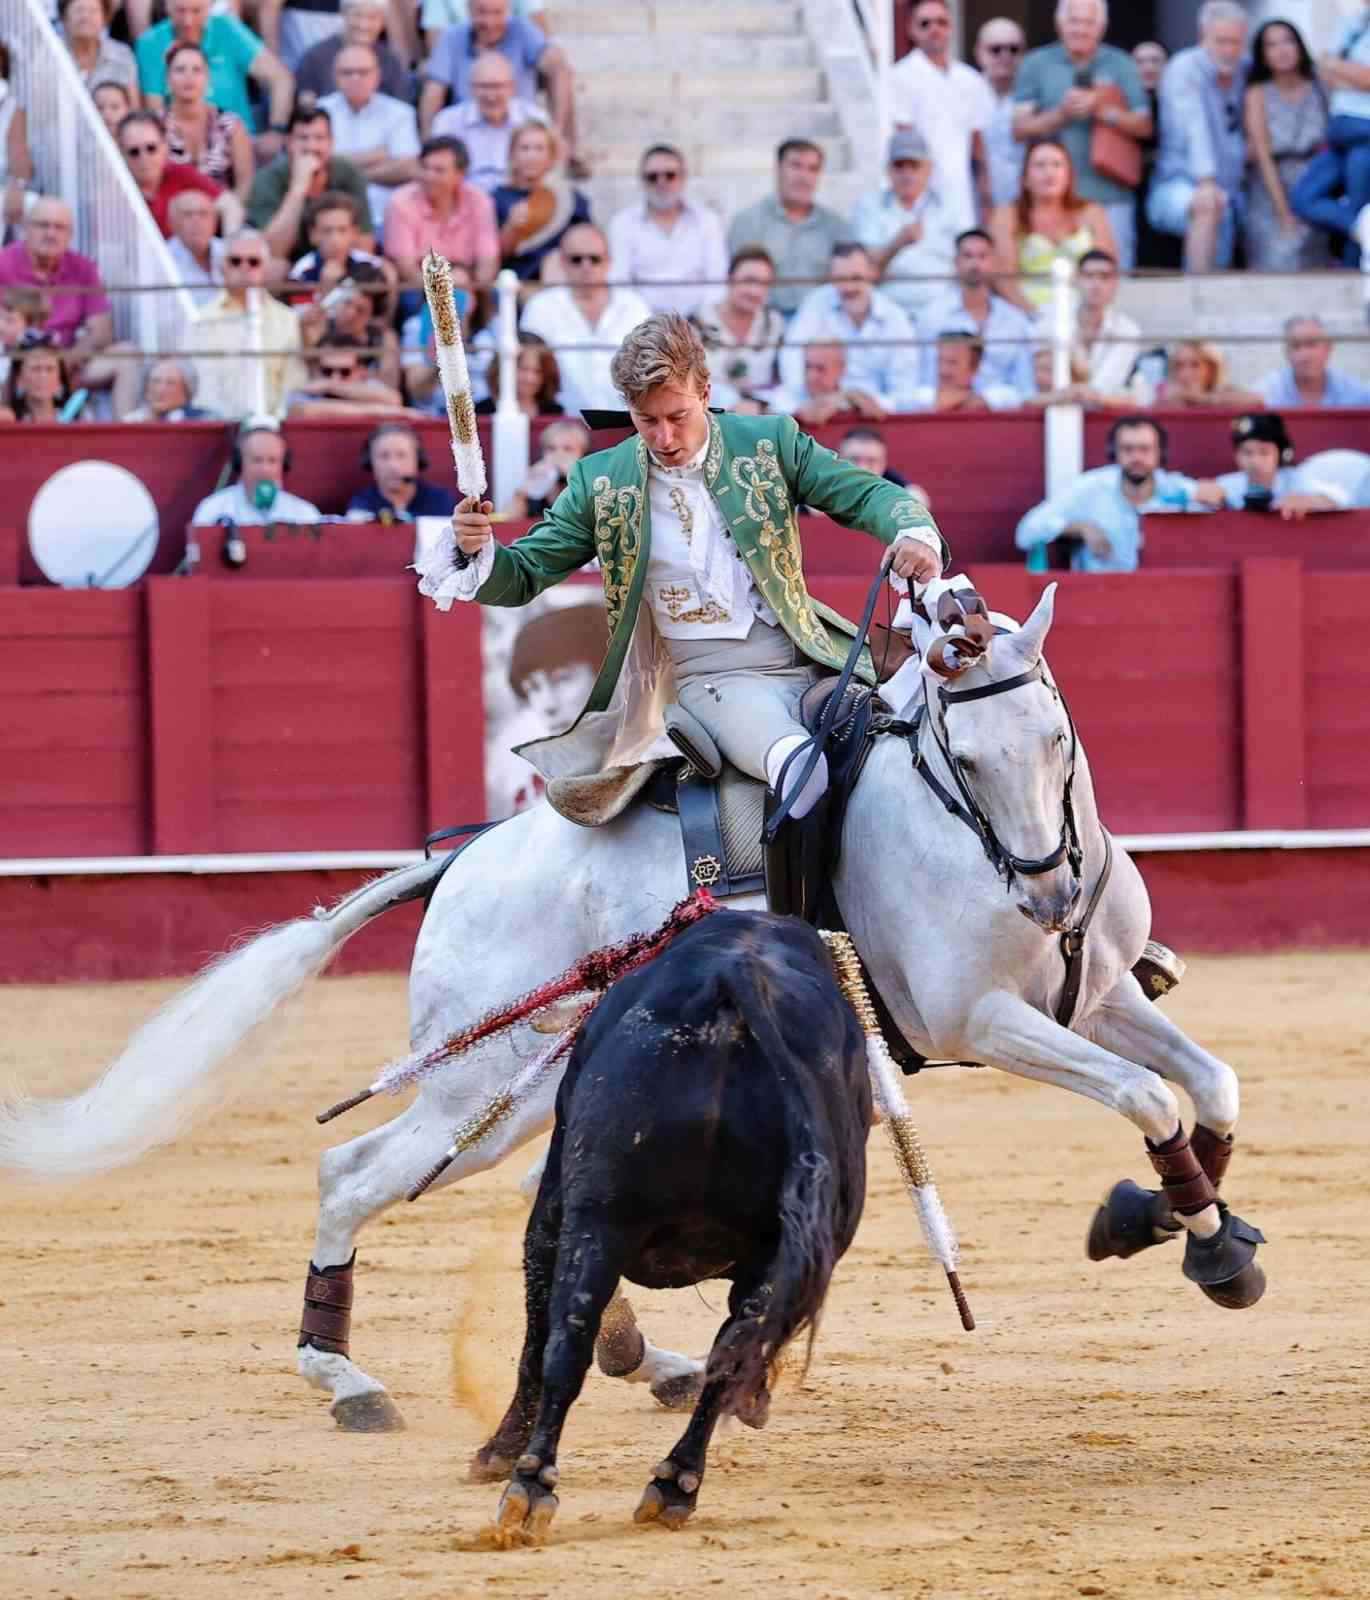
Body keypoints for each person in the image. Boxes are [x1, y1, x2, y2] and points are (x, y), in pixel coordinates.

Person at [419, 310, 946, 910]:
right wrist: (477, 553)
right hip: (714, 680)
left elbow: (863, 493)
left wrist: (912, 532)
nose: (665, 438)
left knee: (922, 745)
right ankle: (806, 932)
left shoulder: (767, 442)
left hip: (812, 654)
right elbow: (525, 574)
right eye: (647, 421)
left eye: (678, 417)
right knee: (804, 775)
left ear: (705, 391)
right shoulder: (602, 481)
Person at [1011, 0, 1151, 270]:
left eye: (1088, 22)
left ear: (1101, 27)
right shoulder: (1036, 63)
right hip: (1052, 200)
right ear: (1060, 24)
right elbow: (1019, 128)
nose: (1081, 29)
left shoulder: (1122, 64)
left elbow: (1144, 125)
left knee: (1114, 275)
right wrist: (1061, 114)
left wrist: (1103, 111)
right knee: (1051, 277)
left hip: (1111, 194)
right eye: (1074, 21)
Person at [1015, 414, 1224, 571]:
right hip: (1098, 596)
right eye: (1128, 449)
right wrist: (1080, 527)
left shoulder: (1176, 488)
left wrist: (1215, 494)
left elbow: (1213, 497)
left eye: (1145, 449)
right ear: (1114, 452)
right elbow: (1026, 532)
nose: (1136, 458)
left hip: (1162, 595)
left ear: (1161, 454)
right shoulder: (1091, 487)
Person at [420, 0, 582, 175]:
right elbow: (433, 91)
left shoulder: (522, 30)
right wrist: (428, 148)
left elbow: (558, 67)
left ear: (508, 11)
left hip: (519, 126)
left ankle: (571, 152)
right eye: (482, 12)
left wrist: (555, 133)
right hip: (469, 123)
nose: (489, 22)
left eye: (497, 12)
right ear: (469, 11)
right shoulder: (452, 36)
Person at [1147, 0, 1250, 272]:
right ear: (1202, 37)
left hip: (1233, 192)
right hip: (1178, 185)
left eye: (1236, 42)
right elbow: (1194, 128)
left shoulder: (1244, 68)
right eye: (1221, 41)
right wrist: (1206, 181)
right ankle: (1196, 291)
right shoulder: (1184, 68)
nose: (1229, 50)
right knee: (1207, 204)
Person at [519, 222, 652, 412]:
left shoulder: (634, 306)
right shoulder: (541, 307)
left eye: (594, 259)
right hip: (560, 421)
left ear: (608, 261)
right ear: (562, 262)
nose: (586, 266)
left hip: (626, 420)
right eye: (577, 259)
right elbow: (529, 368)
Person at [778, 242, 917, 418]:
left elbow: (904, 392)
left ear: (872, 273)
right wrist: (812, 401)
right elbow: (791, 361)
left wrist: (869, 402)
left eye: (856, 278)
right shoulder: (816, 303)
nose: (848, 287)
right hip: (821, 413)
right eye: (840, 279)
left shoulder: (895, 318)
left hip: (875, 418)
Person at [890, 0, 993, 233]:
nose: (934, 29)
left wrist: (986, 196)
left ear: (951, 27)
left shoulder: (970, 79)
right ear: (911, 29)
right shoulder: (900, 77)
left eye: (941, 22)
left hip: (963, 194)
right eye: (925, 23)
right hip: (919, 197)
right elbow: (904, 142)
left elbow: (978, 146)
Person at [183, 228, 309, 417]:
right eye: (235, 261)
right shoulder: (200, 321)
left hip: (274, 426)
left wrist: (272, 423)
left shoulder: (288, 320)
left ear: (265, 269)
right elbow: (200, 387)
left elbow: (293, 385)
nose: (244, 268)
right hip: (215, 424)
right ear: (222, 267)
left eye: (253, 262)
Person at [990, 137, 1117, 313]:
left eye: (1057, 165)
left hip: (1085, 313)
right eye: (1040, 165)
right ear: (1025, 178)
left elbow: (1107, 272)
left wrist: (1087, 316)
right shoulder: (1006, 215)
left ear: (1069, 175)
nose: (1049, 172)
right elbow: (1003, 279)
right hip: (1024, 314)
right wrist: (1036, 316)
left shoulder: (1092, 212)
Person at [136, 0, 294, 141]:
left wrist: (276, 132)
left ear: (210, 6)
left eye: (196, 10)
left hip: (240, 139)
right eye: (180, 10)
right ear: (167, 6)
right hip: (180, 143)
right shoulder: (150, 43)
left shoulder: (227, 29)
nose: (188, 21)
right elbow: (155, 112)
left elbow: (280, 78)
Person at [1242, 19, 1329, 272]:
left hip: (1316, 183)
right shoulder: (1258, 92)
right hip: (1271, 187)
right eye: (1272, 45)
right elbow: (1263, 156)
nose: (1282, 50)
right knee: (1279, 257)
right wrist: (1284, 213)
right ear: (1262, 55)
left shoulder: (1320, 85)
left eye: (1288, 41)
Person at [848, 128, 960, 320]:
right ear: (888, 171)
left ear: (929, 169)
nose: (907, 174)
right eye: (899, 166)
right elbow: (865, 269)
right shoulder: (869, 205)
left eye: (914, 166)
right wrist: (897, 243)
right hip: (888, 310)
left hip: (943, 307)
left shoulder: (951, 205)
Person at [727, 139, 846, 318]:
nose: (804, 176)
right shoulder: (747, 222)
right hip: (763, 322)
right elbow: (738, 285)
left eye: (813, 169)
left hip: (820, 322)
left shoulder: (836, 227)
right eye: (796, 166)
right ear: (778, 169)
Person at [1288, 6, 1370, 267]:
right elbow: (1324, 76)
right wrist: (1351, 75)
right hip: (1341, 130)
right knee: (1304, 197)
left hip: (1365, 130)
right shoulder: (1354, 23)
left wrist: (1333, 64)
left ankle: (1353, 272)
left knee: (1359, 204)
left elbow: (1361, 77)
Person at [606, 145, 727, 318]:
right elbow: (619, 283)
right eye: (652, 177)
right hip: (641, 322)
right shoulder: (622, 223)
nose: (661, 182)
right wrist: (645, 324)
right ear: (642, 181)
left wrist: (701, 320)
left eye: (670, 175)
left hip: (700, 321)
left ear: (683, 178)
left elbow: (717, 279)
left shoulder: (707, 221)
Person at [914, 226, 1035, 398]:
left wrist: (990, 401)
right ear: (956, 262)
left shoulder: (1015, 320)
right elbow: (925, 380)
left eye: (982, 256)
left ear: (994, 263)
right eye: (968, 256)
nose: (975, 264)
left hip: (1000, 410)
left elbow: (1025, 386)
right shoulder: (932, 316)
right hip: (945, 408)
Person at [318, 43, 421, 236]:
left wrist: (347, 174)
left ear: (377, 75)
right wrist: (377, 155)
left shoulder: (400, 113)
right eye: (347, 72)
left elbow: (408, 167)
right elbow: (317, 163)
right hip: (331, 221)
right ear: (335, 76)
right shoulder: (319, 111)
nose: (355, 78)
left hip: (386, 217)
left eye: (363, 72)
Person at [247, 105, 371, 265]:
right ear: (289, 142)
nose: (311, 147)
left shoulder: (349, 173)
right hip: (291, 264)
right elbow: (272, 250)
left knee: (384, 271)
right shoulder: (267, 179)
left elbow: (365, 245)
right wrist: (298, 187)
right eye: (303, 138)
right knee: (275, 267)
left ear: (331, 142)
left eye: (319, 138)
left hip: (342, 262)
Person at [0, 197, 112, 364]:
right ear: (26, 228)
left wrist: (64, 365)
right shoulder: (3, 263)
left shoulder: (83, 268)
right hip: (12, 362)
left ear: (70, 235)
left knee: (126, 355)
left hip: (69, 361)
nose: (51, 234)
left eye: (59, 227)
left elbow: (100, 331)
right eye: (43, 225)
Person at [384, 135, 500, 287]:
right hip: (419, 285)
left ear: (461, 174)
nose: (429, 176)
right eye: (425, 168)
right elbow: (407, 270)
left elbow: (488, 262)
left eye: (439, 170)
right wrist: (446, 287)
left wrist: (472, 287)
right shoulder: (401, 203)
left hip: (469, 280)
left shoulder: (479, 201)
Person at [430, 49, 547, 193]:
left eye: (498, 86)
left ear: (512, 87)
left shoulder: (535, 117)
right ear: (471, 88)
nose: (491, 96)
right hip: (465, 199)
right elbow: (438, 172)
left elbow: (548, 170)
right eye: (483, 86)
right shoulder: (448, 121)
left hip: (522, 197)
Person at [492, 119, 589, 282]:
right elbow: (493, 256)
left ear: (551, 157)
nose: (531, 156)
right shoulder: (497, 198)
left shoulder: (572, 199)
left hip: (561, 278)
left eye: (539, 148)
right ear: (512, 155)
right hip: (516, 280)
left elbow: (586, 244)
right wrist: (512, 226)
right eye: (525, 148)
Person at [162, 41, 254, 211]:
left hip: (224, 214)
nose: (189, 77)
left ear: (208, 77)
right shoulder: (155, 126)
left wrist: (228, 215)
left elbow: (245, 181)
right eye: (180, 70)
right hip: (169, 216)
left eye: (197, 70)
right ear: (167, 78)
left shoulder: (230, 123)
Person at [692, 246, 785, 409]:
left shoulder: (774, 323)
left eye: (763, 284)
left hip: (762, 414)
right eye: (748, 281)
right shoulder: (697, 323)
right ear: (729, 278)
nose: (755, 291)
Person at [1215, 411, 1351, 519]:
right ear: (1236, 456)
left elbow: (1342, 497)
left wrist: (1312, 501)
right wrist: (1206, 495)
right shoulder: (1226, 485)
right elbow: (1204, 499)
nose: (1255, 461)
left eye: (1264, 453)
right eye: (1247, 453)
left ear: (1281, 455)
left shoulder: (1295, 480)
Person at [190, 416, 323, 524]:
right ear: (240, 463)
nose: (265, 469)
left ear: (284, 464)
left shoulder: (304, 514)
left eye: (272, 460)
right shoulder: (213, 510)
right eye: (257, 460)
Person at [118, 109, 228, 238]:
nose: (144, 157)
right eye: (134, 152)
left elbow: (228, 204)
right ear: (122, 154)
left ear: (165, 147)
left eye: (151, 148)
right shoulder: (114, 193)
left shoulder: (180, 173)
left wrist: (231, 238)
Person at [287, 190, 394, 309]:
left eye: (342, 230)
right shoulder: (301, 273)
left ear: (354, 232)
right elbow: (300, 316)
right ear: (313, 235)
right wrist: (325, 292)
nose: (335, 239)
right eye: (327, 231)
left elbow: (379, 311)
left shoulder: (371, 265)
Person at [294, 0, 411, 104]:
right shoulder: (317, 57)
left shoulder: (391, 61)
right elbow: (305, 104)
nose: (364, 25)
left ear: (383, 22)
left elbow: (401, 107)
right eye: (357, 15)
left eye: (373, 18)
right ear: (343, 14)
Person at [1131, 39, 1183, 270]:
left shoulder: (1181, 104)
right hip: (1132, 190)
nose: (1148, 67)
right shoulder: (1122, 105)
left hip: (1170, 187)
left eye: (1155, 61)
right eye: (1140, 62)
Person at [1071, 248, 1143, 404]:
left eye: (1104, 277)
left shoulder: (1128, 330)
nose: (1096, 285)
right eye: (1089, 276)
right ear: (1076, 280)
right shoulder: (1053, 321)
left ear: (1115, 283)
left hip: (1105, 412)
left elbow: (1105, 387)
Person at [346, 420, 458, 520]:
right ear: (370, 462)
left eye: (402, 455)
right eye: (384, 456)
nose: (393, 466)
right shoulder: (361, 506)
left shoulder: (440, 501)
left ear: (418, 460)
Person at [1254, 315, 1370, 408]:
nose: (1304, 355)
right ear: (1286, 353)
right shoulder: (1266, 394)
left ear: (1328, 348)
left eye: (1312, 344)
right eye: (1296, 346)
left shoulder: (1357, 395)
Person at [975, 15, 1027, 211]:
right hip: (974, 204)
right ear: (978, 52)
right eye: (995, 49)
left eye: (1014, 49)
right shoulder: (964, 91)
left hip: (1023, 204)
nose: (1005, 56)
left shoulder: (1033, 96)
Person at [289, 333, 405, 416]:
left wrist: (329, 386)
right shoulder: (306, 390)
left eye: (345, 372)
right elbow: (305, 411)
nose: (335, 378)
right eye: (327, 371)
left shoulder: (369, 385)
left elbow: (394, 399)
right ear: (316, 370)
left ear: (361, 371)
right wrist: (380, 410)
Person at [499, 416, 589, 517]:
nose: (559, 454)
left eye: (567, 449)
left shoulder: (590, 481)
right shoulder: (539, 478)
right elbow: (507, 518)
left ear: (581, 454)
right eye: (551, 448)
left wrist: (573, 478)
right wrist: (522, 493)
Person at [60, 0, 139, 97]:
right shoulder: (53, 55)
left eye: (93, 11)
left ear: (104, 19)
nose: (86, 17)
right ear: (64, 19)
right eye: (79, 10)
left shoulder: (121, 54)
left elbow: (132, 102)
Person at [1151, 338, 1258, 408]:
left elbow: (1257, 400)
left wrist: (1203, 398)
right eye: (1179, 366)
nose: (1186, 373)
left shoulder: (1226, 392)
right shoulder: (1165, 393)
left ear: (1211, 369)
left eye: (1195, 365)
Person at [0, 332, 81, 423]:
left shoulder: (79, 417)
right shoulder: (7, 419)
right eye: (36, 369)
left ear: (59, 378)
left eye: (49, 369)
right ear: (19, 379)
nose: (43, 376)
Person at [166, 187, 226, 306]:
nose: (196, 221)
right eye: (187, 215)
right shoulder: (162, 258)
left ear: (215, 221)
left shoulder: (229, 252)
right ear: (171, 222)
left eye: (203, 214)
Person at [476, 334, 562, 416]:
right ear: (502, 369)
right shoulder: (480, 412)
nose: (530, 378)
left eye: (538, 371)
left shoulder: (555, 413)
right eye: (523, 369)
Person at [909, 331, 992, 412]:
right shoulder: (917, 407)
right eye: (940, 360)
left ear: (974, 367)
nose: (943, 370)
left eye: (952, 362)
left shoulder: (979, 413)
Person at [124, 355, 217, 420]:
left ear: (187, 392)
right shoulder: (132, 421)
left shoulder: (205, 420)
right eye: (155, 381)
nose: (160, 389)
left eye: (170, 383)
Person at [839, 424, 909, 488]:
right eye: (854, 460)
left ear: (883, 464)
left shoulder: (903, 494)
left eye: (871, 462)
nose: (863, 468)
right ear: (839, 460)